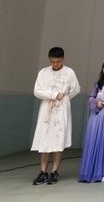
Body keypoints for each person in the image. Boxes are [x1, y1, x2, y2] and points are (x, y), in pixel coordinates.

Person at [31, 46, 81, 185]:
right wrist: (53, 95)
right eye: (52, 61)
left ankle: (54, 171)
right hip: (47, 106)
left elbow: (76, 89)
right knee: (45, 138)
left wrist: (64, 98)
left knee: (58, 139)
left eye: (58, 61)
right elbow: (37, 90)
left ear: (63, 59)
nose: (55, 64)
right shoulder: (43, 72)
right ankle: (42, 171)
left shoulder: (69, 72)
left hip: (61, 107)